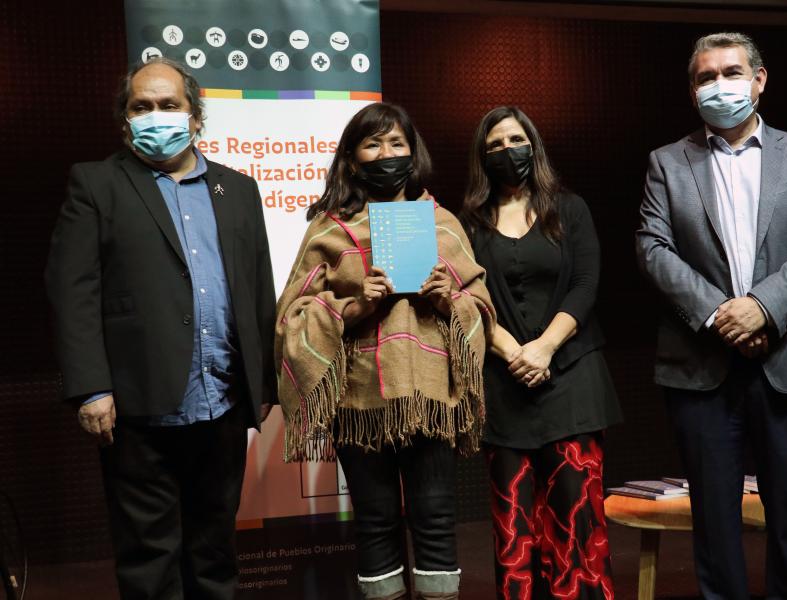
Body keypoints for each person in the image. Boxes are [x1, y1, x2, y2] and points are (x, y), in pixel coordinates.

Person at [44, 57, 277, 599]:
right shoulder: (97, 183)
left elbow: (257, 289)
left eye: (169, 104)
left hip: (221, 401)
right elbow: (71, 290)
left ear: (195, 115)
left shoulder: (238, 188)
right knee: (150, 558)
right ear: (125, 119)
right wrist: (91, 387)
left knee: (215, 551)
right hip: (138, 405)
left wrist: (263, 381)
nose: (156, 115)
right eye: (141, 106)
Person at [635, 32, 787, 600]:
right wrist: (721, 316)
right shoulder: (666, 163)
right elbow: (652, 249)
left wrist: (763, 309)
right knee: (714, 527)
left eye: (731, 72)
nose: (719, 85)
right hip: (702, 368)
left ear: (759, 79)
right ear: (692, 90)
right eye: (706, 77)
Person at [275, 102, 495, 600]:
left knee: (435, 517)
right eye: (373, 144)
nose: (386, 153)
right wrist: (353, 307)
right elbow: (292, 314)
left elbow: (481, 307)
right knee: (374, 521)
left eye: (397, 143)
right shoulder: (328, 228)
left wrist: (448, 298)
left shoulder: (441, 222)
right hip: (359, 400)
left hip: (432, 397)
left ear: (413, 154)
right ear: (352, 160)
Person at [460, 106, 623, 600]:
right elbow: (464, 298)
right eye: (494, 145)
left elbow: (586, 284)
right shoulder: (468, 223)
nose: (506, 151)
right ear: (482, 157)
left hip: (571, 380)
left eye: (515, 140)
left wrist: (545, 348)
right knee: (514, 530)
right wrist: (513, 351)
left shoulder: (569, 209)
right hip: (504, 385)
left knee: (577, 524)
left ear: (533, 144)